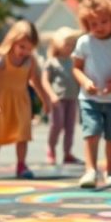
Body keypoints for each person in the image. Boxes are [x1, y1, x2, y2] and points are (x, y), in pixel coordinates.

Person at [72, 0, 111, 188]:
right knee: (92, 132)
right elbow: (76, 68)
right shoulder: (84, 42)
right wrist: (85, 82)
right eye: (93, 24)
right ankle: (90, 170)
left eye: (104, 22)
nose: (99, 27)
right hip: (90, 99)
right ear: (86, 24)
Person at [0, 19, 50, 180]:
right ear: (12, 41)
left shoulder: (30, 61)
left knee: (22, 135)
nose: (25, 51)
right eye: (22, 47)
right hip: (0, 103)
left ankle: (21, 165)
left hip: (21, 102)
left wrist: (45, 100)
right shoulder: (1, 60)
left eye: (29, 48)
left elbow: (35, 81)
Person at [42, 27, 82, 167]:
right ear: (58, 44)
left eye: (72, 44)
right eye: (67, 44)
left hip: (72, 98)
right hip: (57, 100)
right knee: (56, 125)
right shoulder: (52, 62)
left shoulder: (73, 61)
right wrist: (51, 96)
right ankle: (51, 150)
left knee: (70, 127)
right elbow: (45, 80)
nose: (69, 47)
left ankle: (67, 153)